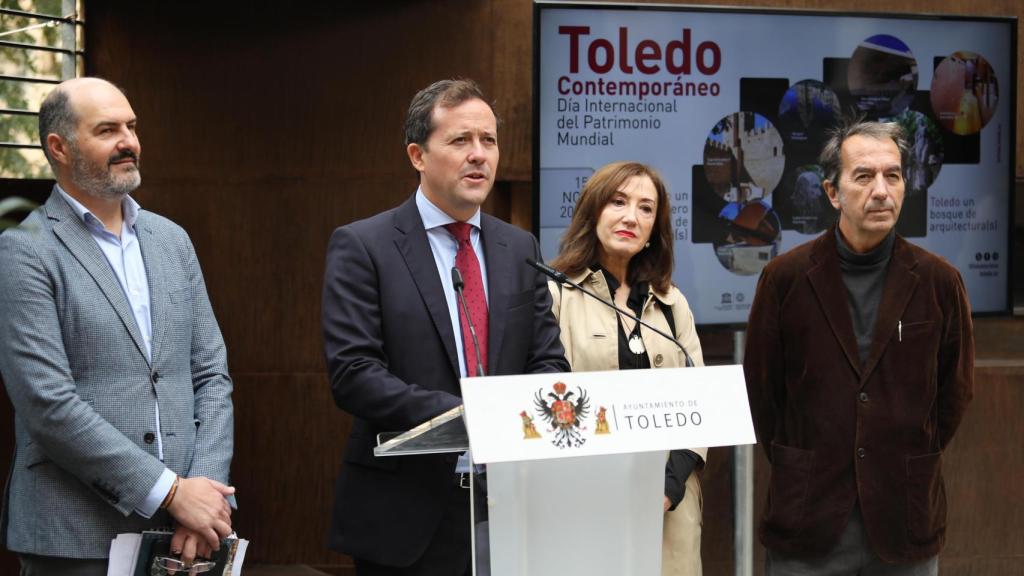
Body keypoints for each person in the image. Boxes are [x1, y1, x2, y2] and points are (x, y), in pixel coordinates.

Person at [320, 78, 568, 575]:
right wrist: (466, 414)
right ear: (417, 155)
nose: (479, 155)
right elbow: (355, 373)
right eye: (460, 141)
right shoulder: (364, 246)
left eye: (489, 141)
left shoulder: (519, 248)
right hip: (406, 515)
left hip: (509, 505)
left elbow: (548, 360)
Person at [0, 77, 236, 575]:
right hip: (72, 537)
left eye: (131, 126)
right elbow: (47, 402)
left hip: (184, 539)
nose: (128, 141)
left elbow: (211, 375)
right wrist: (170, 491)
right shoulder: (25, 251)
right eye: (107, 130)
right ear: (58, 147)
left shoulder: (172, 240)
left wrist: (204, 497)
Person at [743, 119, 974, 575]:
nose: (882, 190)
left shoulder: (938, 281)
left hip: (903, 514)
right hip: (809, 516)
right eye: (864, 176)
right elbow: (762, 394)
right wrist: (804, 461)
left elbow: (954, 393)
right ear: (833, 193)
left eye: (893, 175)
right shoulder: (786, 279)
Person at [548, 161, 706, 576]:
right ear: (593, 211)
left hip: (668, 510)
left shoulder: (674, 304)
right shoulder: (554, 296)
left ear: (656, 226)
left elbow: (700, 407)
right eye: (618, 202)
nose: (631, 217)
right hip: (582, 503)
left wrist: (667, 491)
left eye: (646, 208)